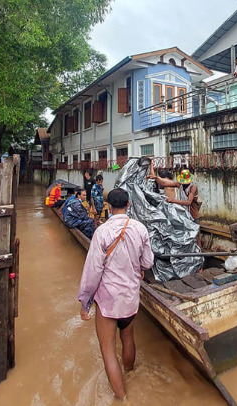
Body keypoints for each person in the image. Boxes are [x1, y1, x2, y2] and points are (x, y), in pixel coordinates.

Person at [78, 188, 154, 401]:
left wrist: (85, 302)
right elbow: (148, 262)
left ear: (108, 207)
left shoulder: (102, 232)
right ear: (128, 204)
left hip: (108, 301)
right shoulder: (140, 229)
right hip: (130, 298)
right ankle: (129, 374)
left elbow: (93, 272)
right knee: (128, 339)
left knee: (108, 350)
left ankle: (123, 398)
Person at [153, 169, 201, 247]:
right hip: (184, 213)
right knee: (185, 232)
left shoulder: (193, 187)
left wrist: (173, 201)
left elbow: (188, 202)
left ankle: (199, 251)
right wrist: (156, 178)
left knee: (196, 233)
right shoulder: (180, 185)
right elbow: (165, 183)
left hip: (192, 213)